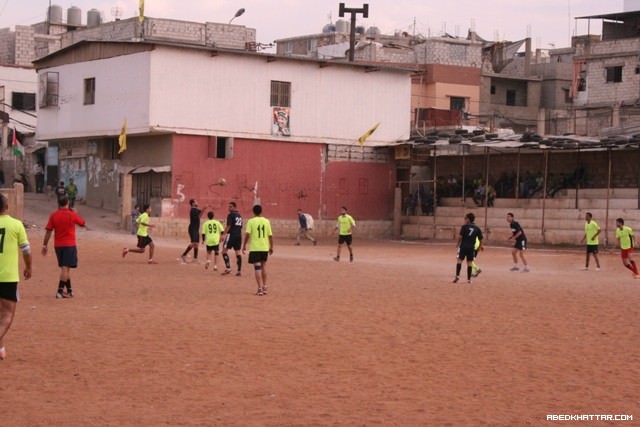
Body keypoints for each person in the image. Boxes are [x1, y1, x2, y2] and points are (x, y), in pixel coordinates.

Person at [0, 193, 32, 360]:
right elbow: (26, 249)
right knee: (6, 315)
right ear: (7, 207)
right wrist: (28, 267)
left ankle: (1, 348)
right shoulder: (16, 225)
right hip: (7, 276)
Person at [42, 195, 86, 298]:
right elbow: (83, 223)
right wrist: (76, 213)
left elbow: (48, 231)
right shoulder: (72, 215)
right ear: (67, 203)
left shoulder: (53, 215)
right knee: (65, 268)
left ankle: (70, 291)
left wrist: (45, 244)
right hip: (69, 245)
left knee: (65, 268)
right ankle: (59, 291)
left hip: (58, 246)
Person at [242, 204, 273, 296]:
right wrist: (271, 247)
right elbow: (270, 236)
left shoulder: (251, 221)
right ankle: (265, 287)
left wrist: (243, 245)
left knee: (257, 267)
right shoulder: (266, 221)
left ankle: (259, 288)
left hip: (255, 248)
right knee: (263, 267)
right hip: (264, 247)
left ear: (253, 212)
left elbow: (247, 235)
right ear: (261, 211)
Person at [453, 213, 483, 283]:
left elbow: (460, 237)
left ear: (468, 219)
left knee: (459, 260)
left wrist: (457, 244)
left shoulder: (464, 226)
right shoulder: (477, 228)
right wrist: (479, 247)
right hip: (471, 247)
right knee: (469, 262)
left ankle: (457, 276)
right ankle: (469, 279)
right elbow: (481, 239)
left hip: (463, 246)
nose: (464, 220)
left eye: (465, 218)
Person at [180, 199, 207, 263]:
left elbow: (200, 215)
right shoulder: (193, 210)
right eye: (196, 201)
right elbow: (198, 216)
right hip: (193, 228)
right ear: (192, 203)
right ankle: (184, 255)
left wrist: (204, 209)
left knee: (196, 244)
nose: (197, 202)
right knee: (194, 243)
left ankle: (195, 258)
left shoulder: (196, 210)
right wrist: (203, 209)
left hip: (196, 228)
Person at [222, 201, 243, 276]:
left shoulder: (231, 215)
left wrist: (223, 235)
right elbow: (241, 226)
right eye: (228, 206)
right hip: (238, 236)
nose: (229, 208)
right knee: (237, 253)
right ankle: (239, 270)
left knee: (224, 251)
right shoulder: (239, 215)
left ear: (234, 207)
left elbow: (228, 226)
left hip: (231, 235)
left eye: (230, 206)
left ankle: (228, 268)